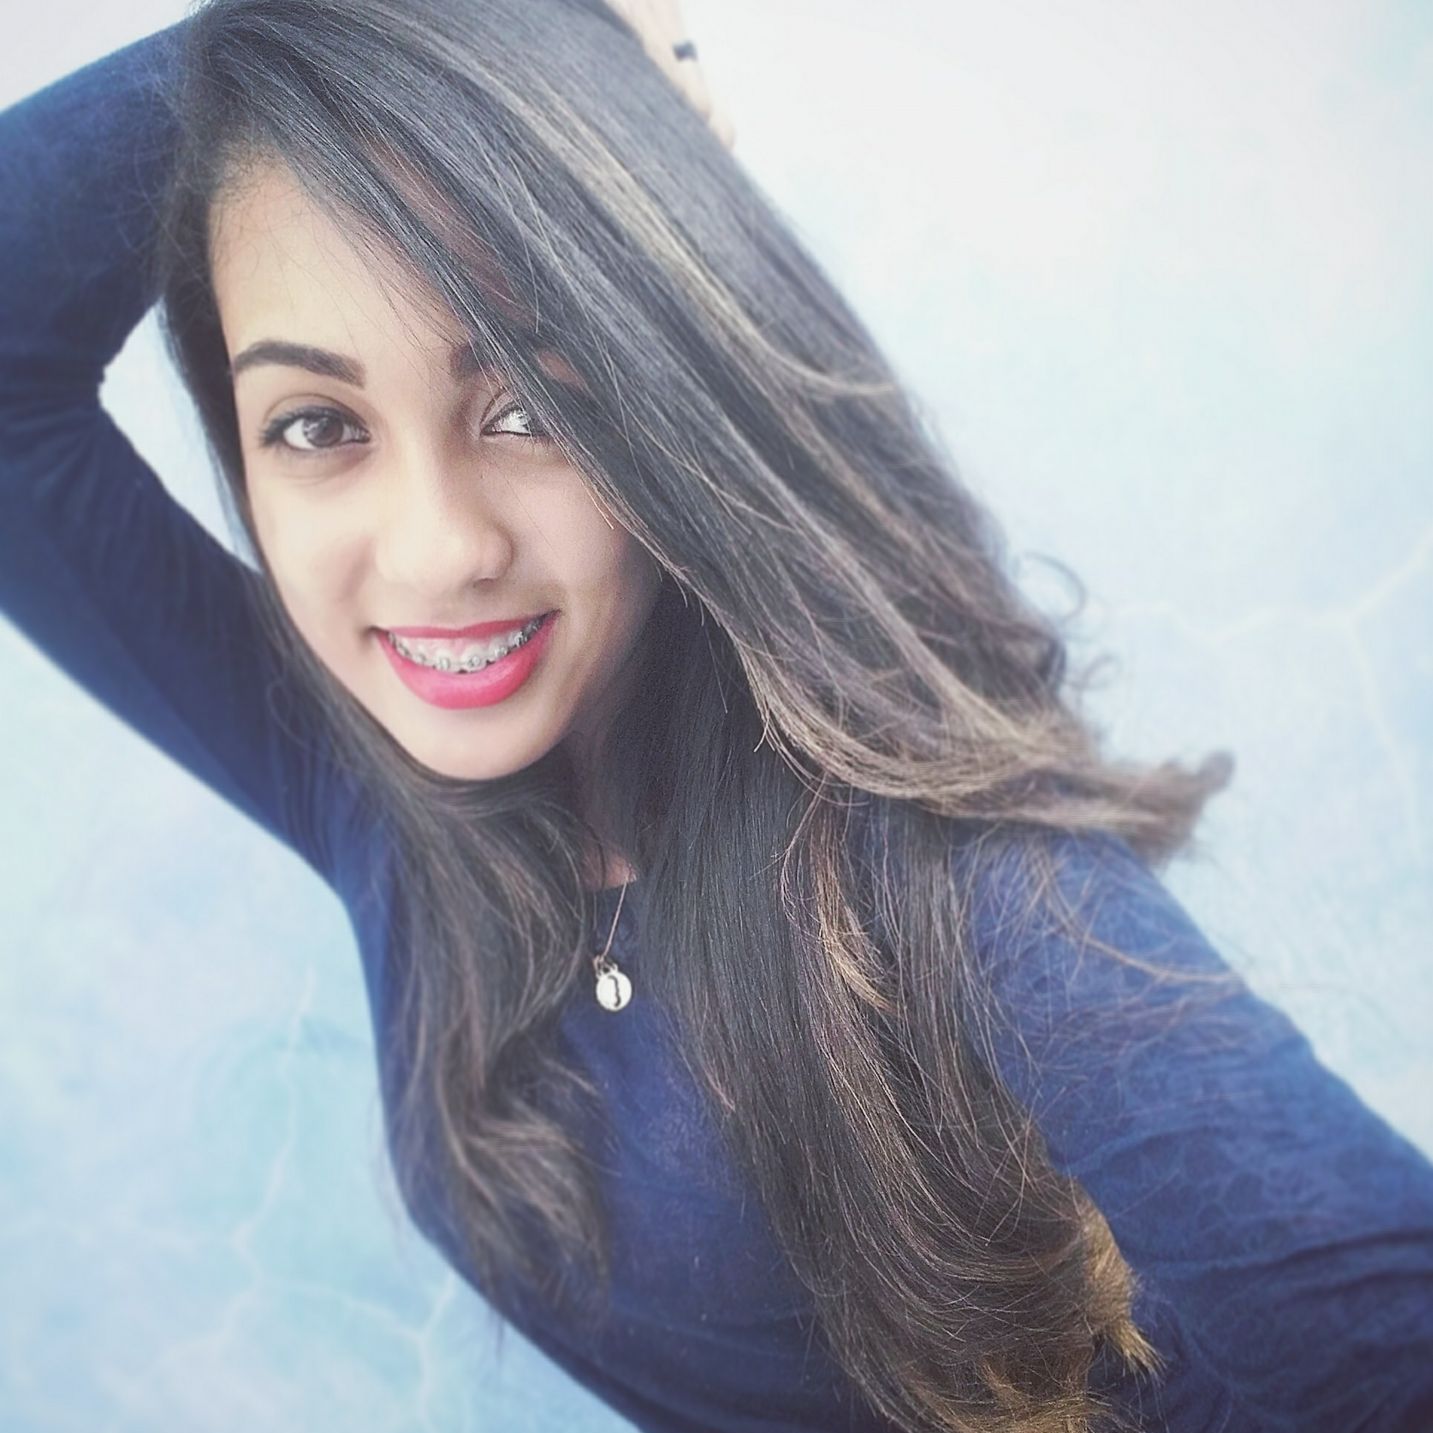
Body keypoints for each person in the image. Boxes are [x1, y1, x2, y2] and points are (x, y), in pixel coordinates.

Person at [1, 2, 1430, 1430]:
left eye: (531, 406)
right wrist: (345, 30)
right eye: (318, 425)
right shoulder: (366, 778)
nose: (437, 552)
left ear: (672, 395)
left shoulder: (950, 875)